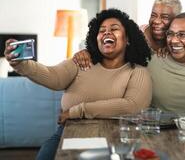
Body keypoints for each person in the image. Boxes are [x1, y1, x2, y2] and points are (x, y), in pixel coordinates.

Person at [4, 8, 152, 160]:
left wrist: (78, 111)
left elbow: (132, 106)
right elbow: (53, 77)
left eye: (114, 29)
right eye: (102, 31)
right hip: (67, 135)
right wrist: (21, 64)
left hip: (115, 138)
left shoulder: (137, 71)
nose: (107, 33)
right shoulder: (81, 62)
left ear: (127, 39)